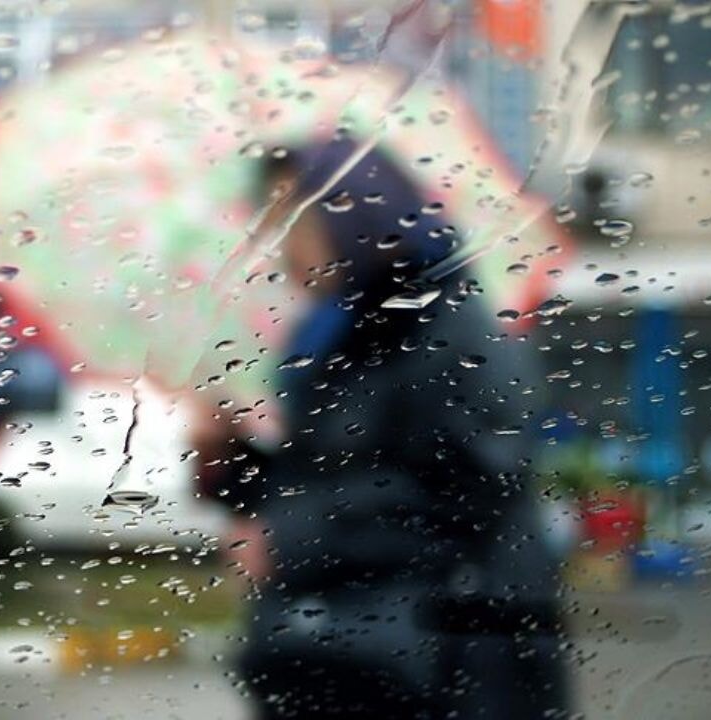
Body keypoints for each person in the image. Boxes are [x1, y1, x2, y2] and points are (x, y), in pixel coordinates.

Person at [194, 138, 569, 718]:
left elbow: (466, 493)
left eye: (292, 219)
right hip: (349, 655)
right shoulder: (333, 336)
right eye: (271, 224)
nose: (281, 248)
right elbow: (325, 475)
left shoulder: (449, 331)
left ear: (357, 212)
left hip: (451, 665)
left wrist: (289, 539)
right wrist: (234, 463)